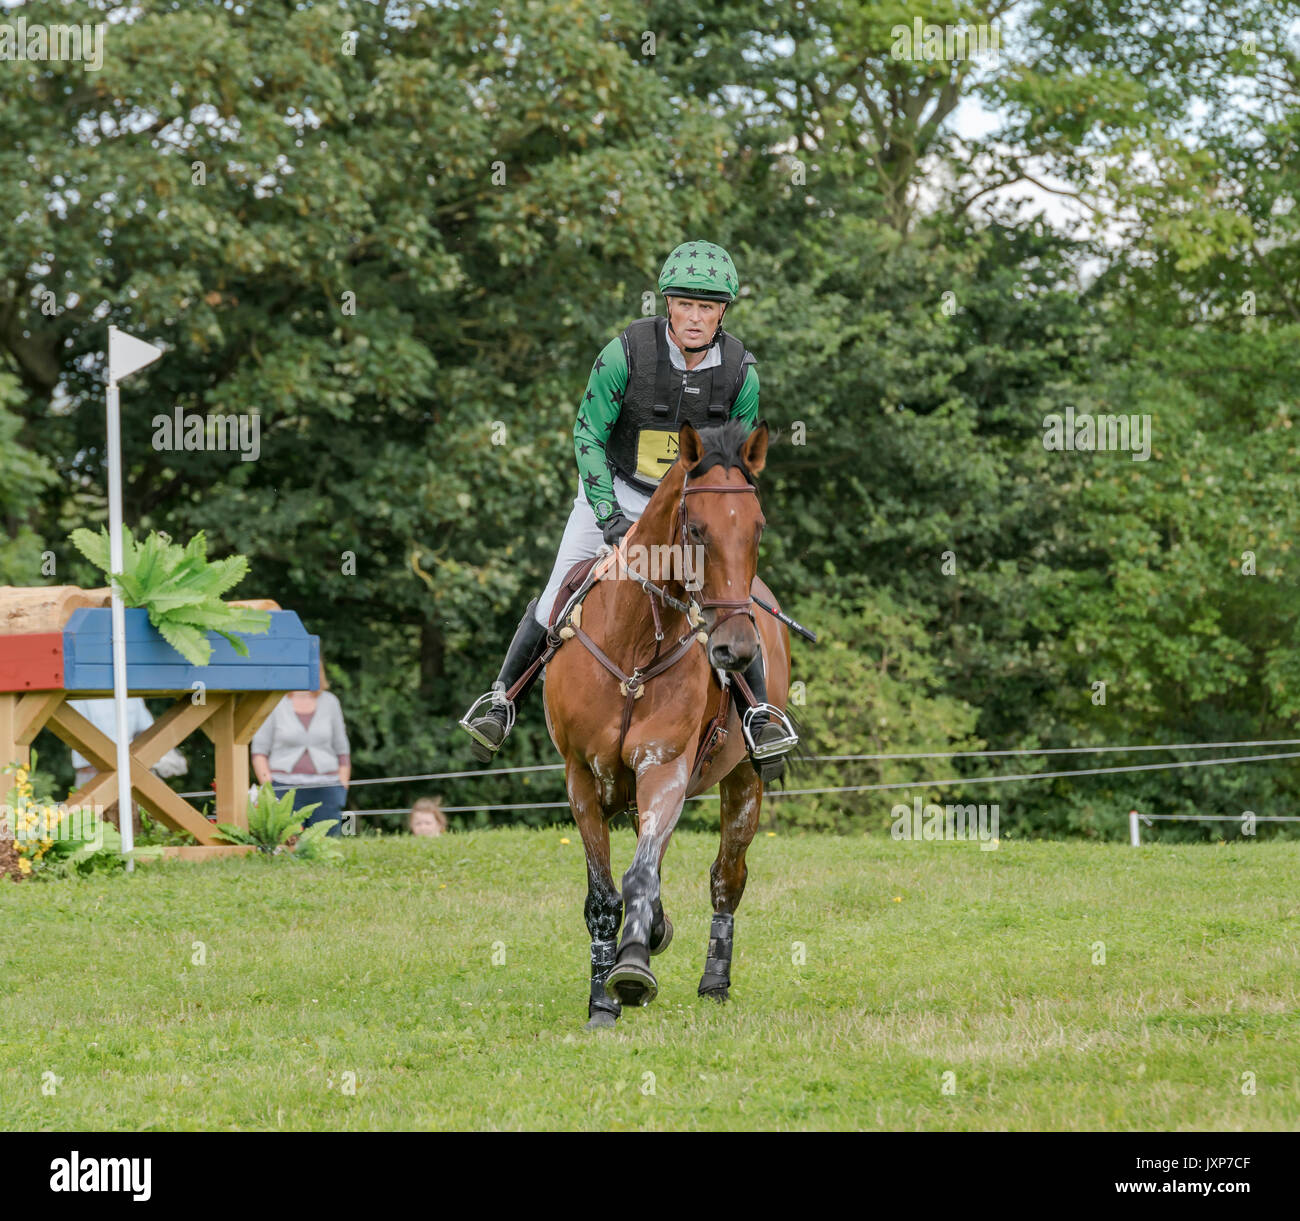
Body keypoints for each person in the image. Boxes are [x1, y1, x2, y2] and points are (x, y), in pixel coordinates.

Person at [460, 240, 798, 779]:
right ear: (668, 303)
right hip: (615, 491)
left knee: (732, 600)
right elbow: (587, 433)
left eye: (707, 307)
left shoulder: (741, 373)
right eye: (686, 304)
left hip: (688, 507)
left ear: (722, 313)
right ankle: (501, 701)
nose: (695, 317)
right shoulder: (623, 354)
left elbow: (735, 462)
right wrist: (607, 513)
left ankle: (758, 714)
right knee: (557, 596)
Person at [250, 658, 350, 837]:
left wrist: (342, 787)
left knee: (327, 847)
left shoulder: (330, 702)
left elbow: (342, 751)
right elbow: (259, 751)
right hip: (284, 789)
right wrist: (269, 789)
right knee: (285, 848)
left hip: (326, 789)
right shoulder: (275, 703)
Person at [68, 696, 187, 835]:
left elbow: (146, 730)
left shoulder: (131, 693)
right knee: (86, 836)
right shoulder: (80, 690)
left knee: (146, 831)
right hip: (93, 775)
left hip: (132, 773)